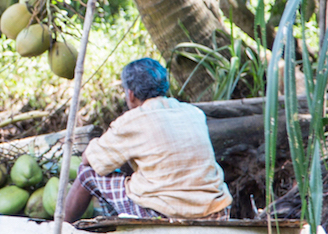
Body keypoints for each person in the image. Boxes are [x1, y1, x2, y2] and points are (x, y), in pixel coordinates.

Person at [61, 58, 232, 222]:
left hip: (165, 214)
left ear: (130, 94)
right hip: (215, 210)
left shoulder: (132, 120)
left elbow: (89, 159)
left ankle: (62, 227)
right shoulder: (194, 112)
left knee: (87, 173)